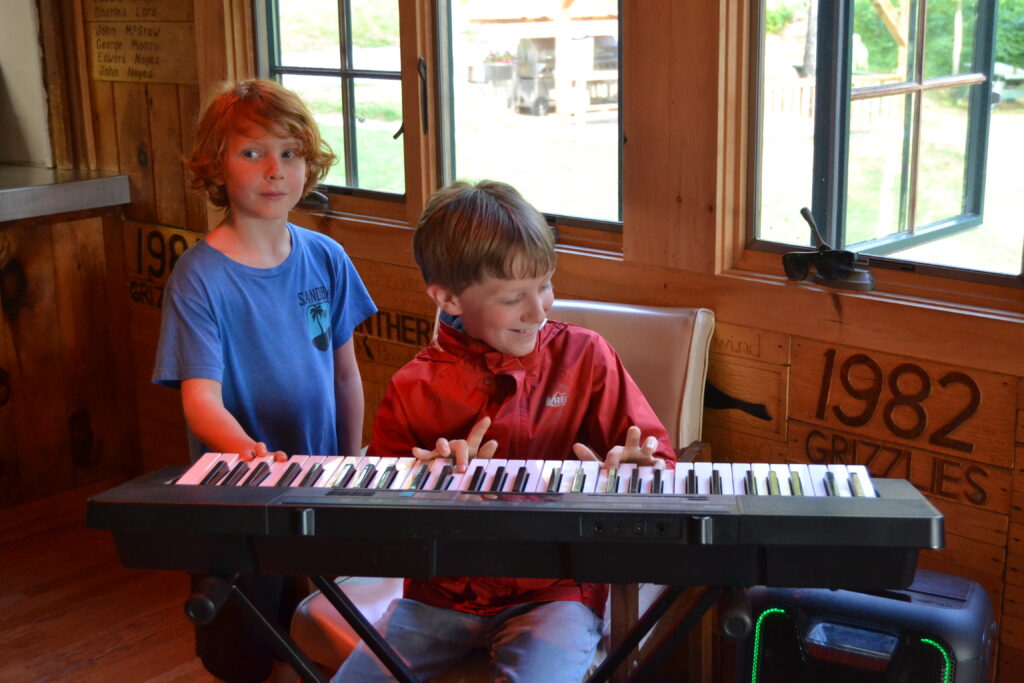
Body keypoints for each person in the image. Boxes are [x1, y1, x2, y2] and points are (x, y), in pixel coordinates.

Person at [333, 180, 675, 683]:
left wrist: (640, 472)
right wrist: (422, 483)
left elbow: (661, 463)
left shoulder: (586, 357)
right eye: (515, 297)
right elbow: (379, 515)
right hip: (438, 596)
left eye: (545, 285)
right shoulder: (413, 385)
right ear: (447, 296)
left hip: (555, 594)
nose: (539, 311)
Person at [152, 79, 377, 683]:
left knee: (330, 628)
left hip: (323, 481)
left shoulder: (326, 257)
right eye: (252, 153)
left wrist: (353, 460)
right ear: (215, 169)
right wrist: (252, 456)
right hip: (242, 491)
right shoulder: (200, 277)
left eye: (291, 153)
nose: (275, 170)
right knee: (246, 645)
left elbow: (344, 372)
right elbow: (201, 402)